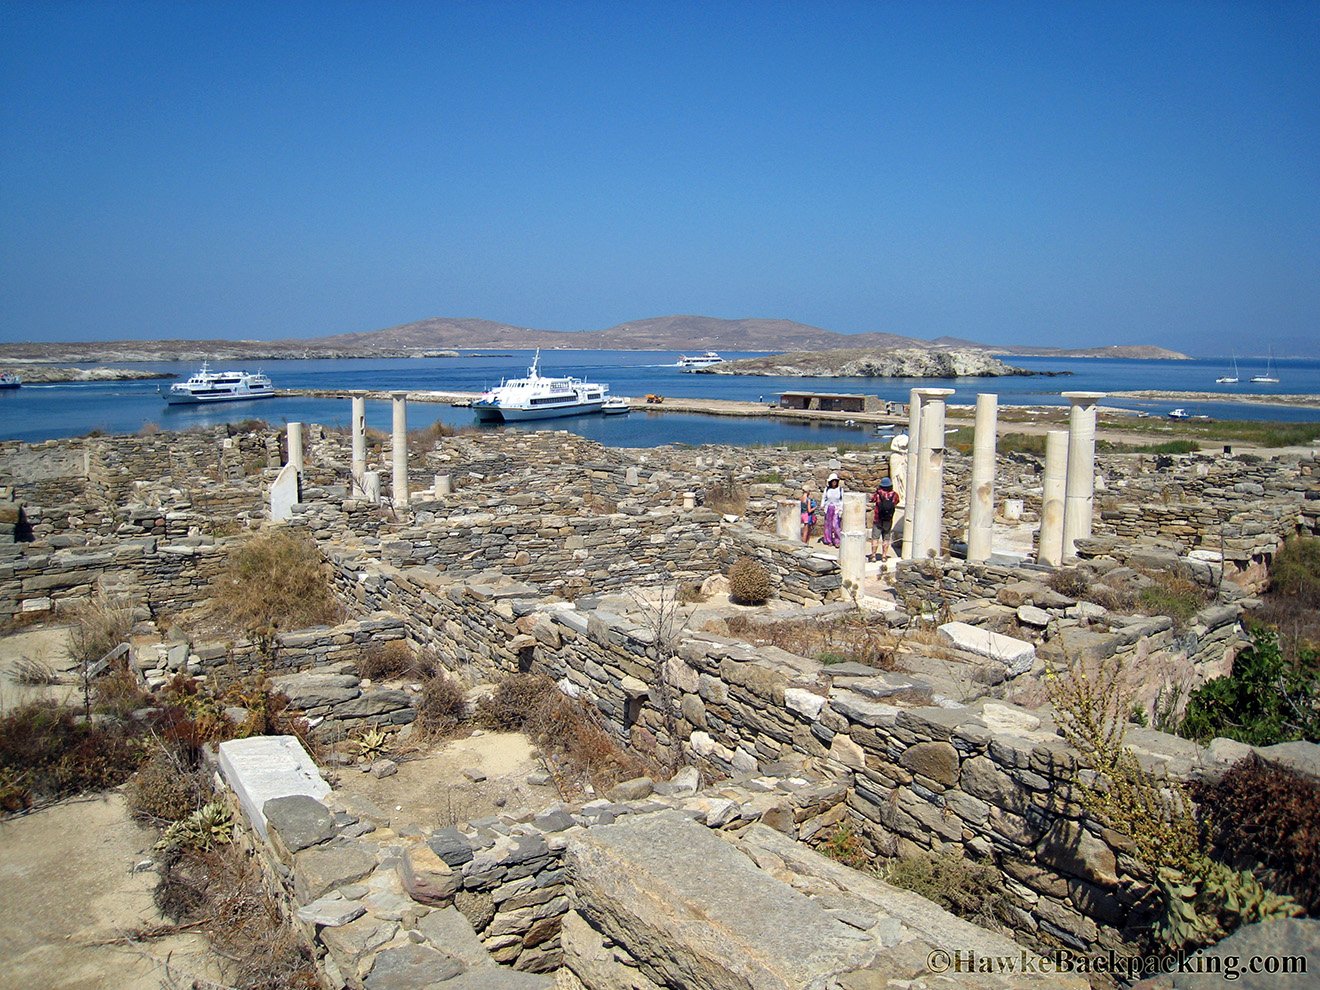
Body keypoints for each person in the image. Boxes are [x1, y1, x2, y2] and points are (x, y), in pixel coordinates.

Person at [869, 477, 900, 561]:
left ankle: (873, 556)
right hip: (888, 520)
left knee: (875, 538)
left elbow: (872, 499)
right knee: (886, 538)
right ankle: (884, 556)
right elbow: (897, 502)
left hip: (878, 519)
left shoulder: (878, 494)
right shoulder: (894, 495)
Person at [821, 472, 844, 546]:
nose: (834, 482)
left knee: (836, 525)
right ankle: (829, 540)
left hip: (836, 508)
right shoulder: (827, 489)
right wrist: (822, 505)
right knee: (828, 525)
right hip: (828, 508)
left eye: (835, 481)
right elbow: (824, 498)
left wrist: (841, 509)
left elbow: (842, 500)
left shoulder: (840, 490)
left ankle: (837, 540)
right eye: (832, 481)